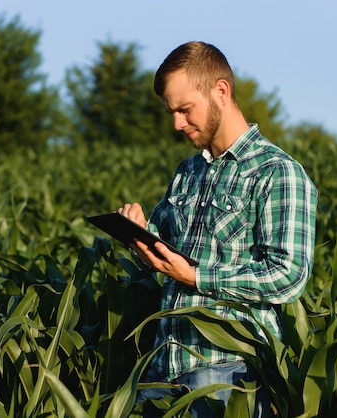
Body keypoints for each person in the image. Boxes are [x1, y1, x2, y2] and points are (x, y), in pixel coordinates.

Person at [118, 41, 318, 417]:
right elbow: (163, 254)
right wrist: (139, 232)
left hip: (230, 375)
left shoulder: (277, 173)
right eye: (171, 112)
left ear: (220, 91)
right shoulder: (188, 172)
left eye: (185, 109)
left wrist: (196, 276)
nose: (177, 123)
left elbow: (288, 276)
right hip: (162, 371)